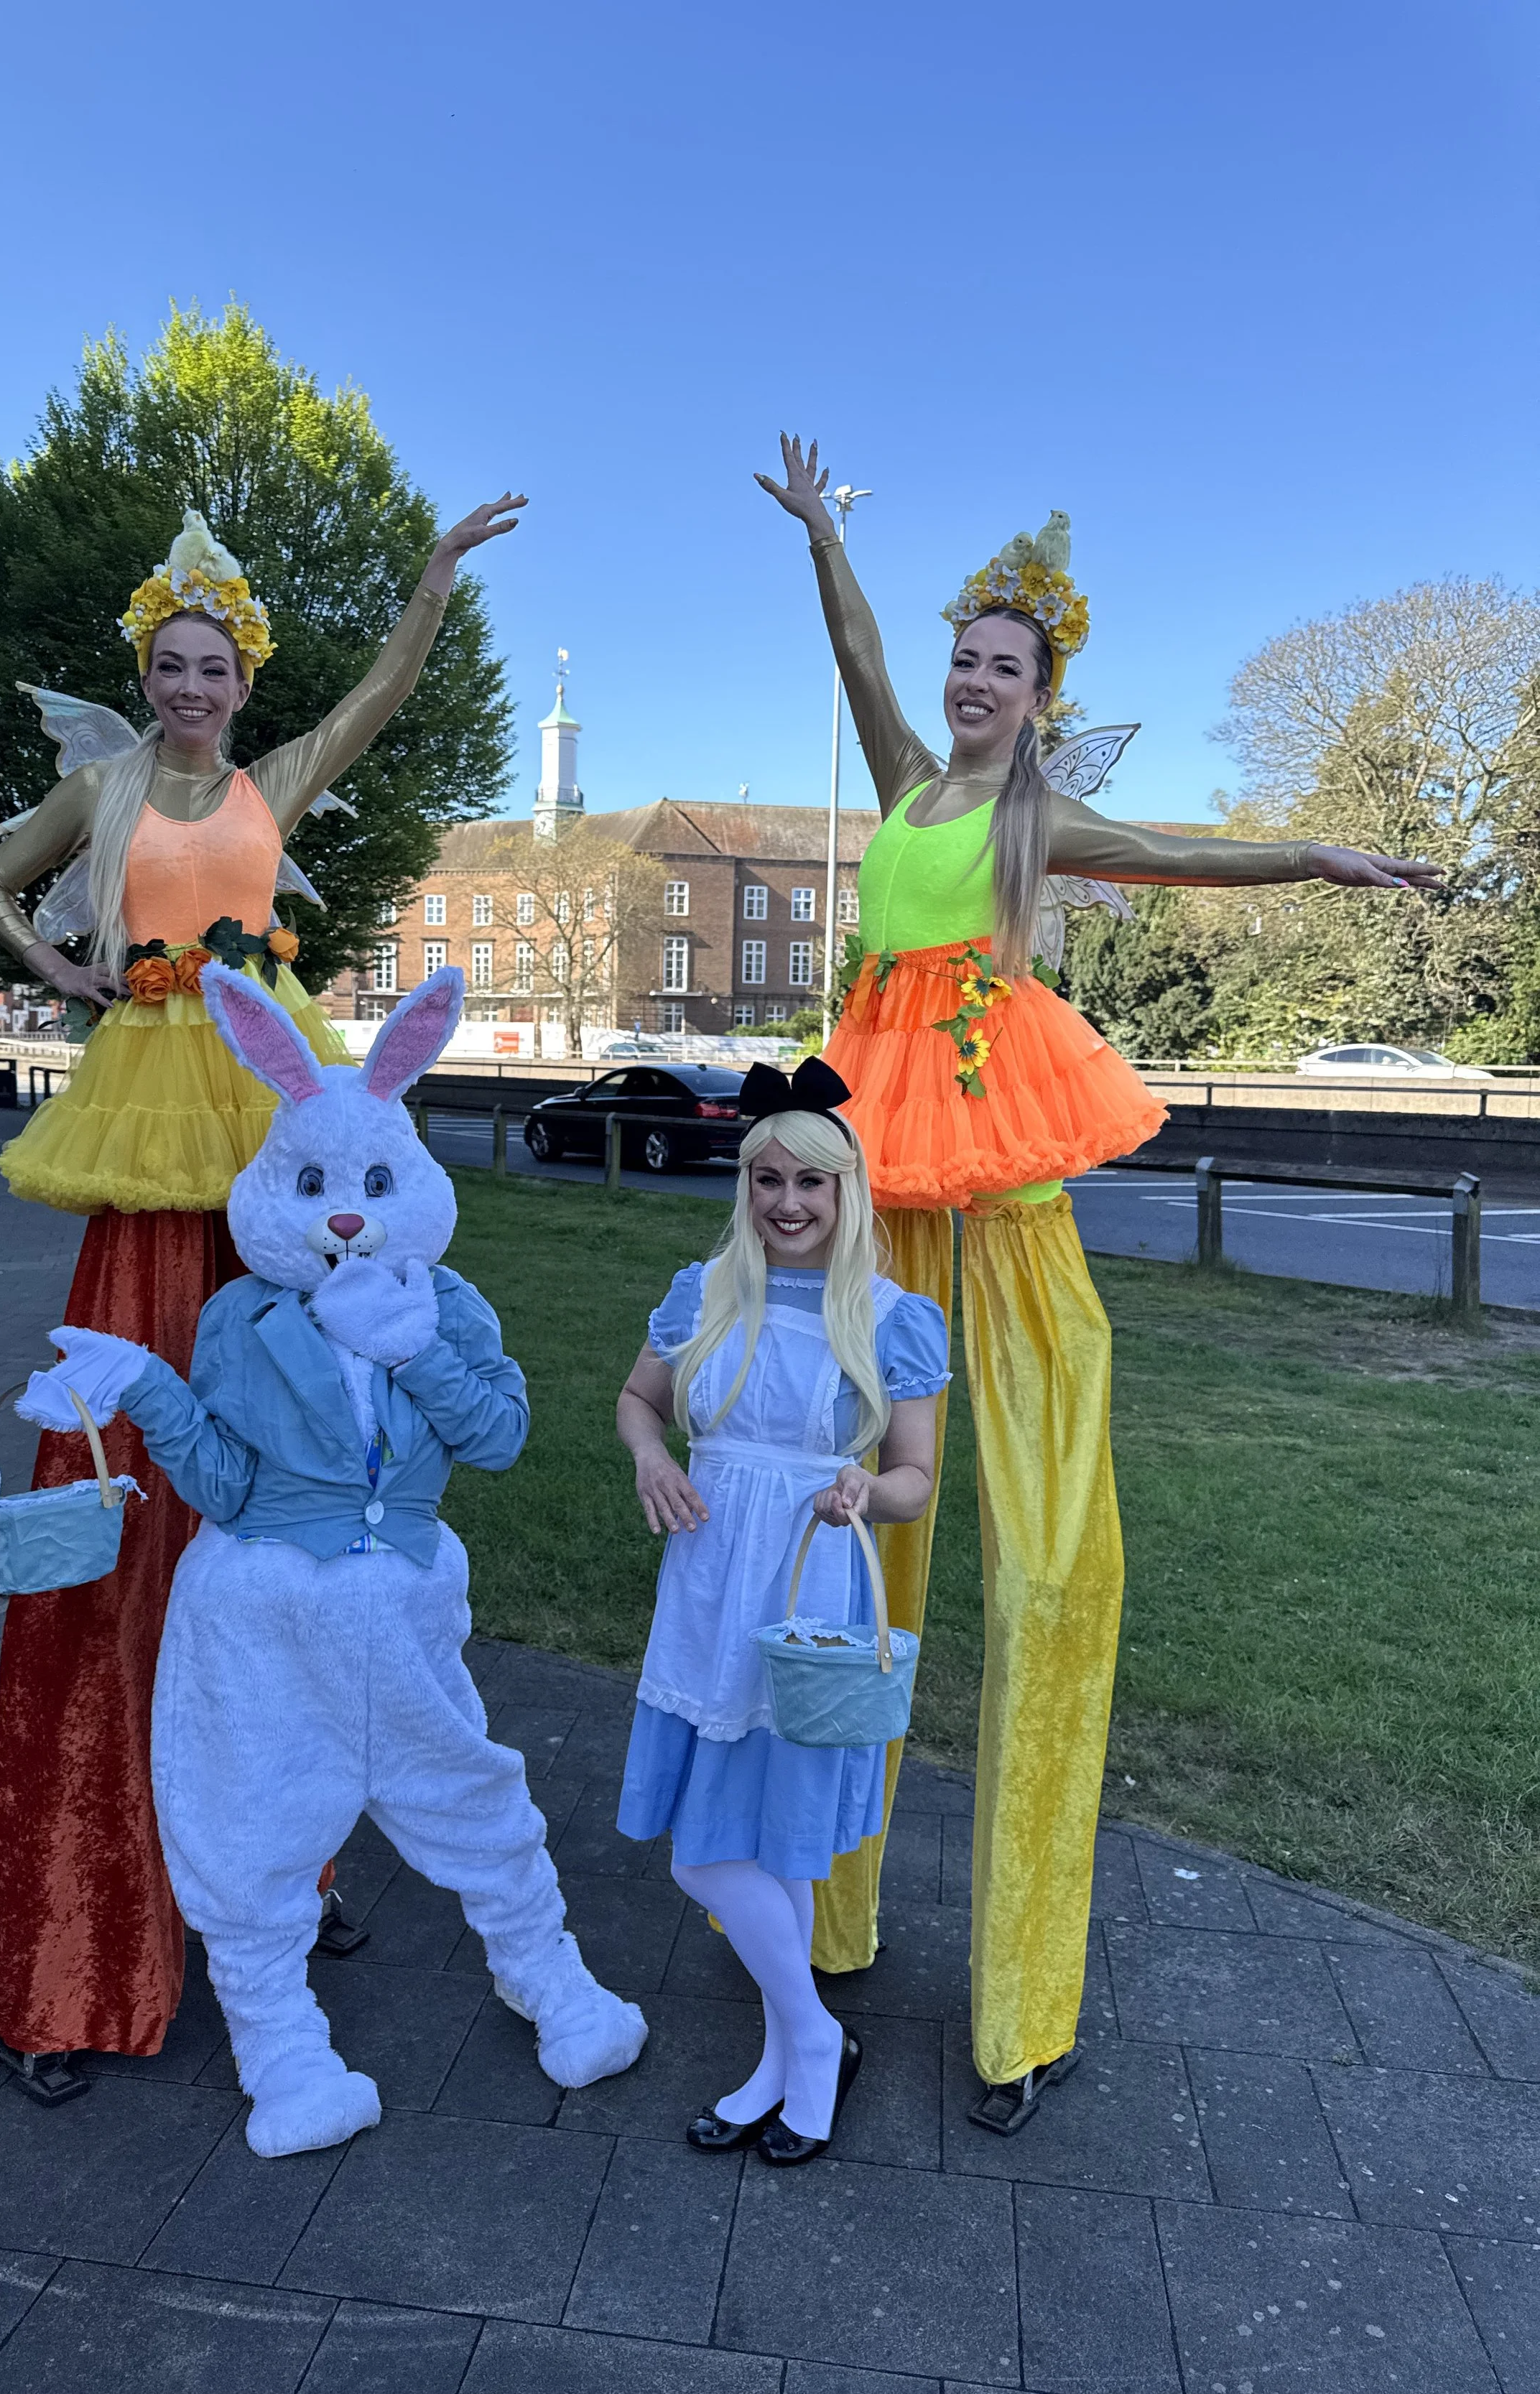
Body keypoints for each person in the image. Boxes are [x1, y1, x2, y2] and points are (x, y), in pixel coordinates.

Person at [757, 435, 1444, 2133]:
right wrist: (824, 535)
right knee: (848, 1528)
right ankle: (822, 1920)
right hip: (878, 1180)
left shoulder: (1032, 817)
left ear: (1038, 698)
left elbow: (1188, 855)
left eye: (1004, 667)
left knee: (1048, 1555)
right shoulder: (903, 781)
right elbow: (852, 649)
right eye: (964, 657)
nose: (972, 681)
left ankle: (1022, 2001)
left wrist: (1319, 857)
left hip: (997, 1177)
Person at [0, 495, 523, 2100]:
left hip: (276, 1134)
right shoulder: (106, 785)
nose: (193, 686)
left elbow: (386, 693)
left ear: (243, 680)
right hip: (155, 1127)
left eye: (215, 666)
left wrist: (430, 579)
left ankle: (293, 1860)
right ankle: (93, 1944)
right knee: (144, 1469)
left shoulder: (278, 778)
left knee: (305, 1460)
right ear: (145, 674)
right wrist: (62, 969)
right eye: (172, 664)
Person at [615, 1058, 949, 2163]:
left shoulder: (893, 1319)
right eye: (768, 1180)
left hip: (808, 1585)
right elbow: (638, 1400)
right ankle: (803, 2047)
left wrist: (866, 1490)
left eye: (812, 1182)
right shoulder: (703, 1290)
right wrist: (652, 1456)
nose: (788, 1203)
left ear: (847, 1191)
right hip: (708, 1582)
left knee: (758, 1848)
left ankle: (801, 2047)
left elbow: (914, 1479)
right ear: (745, 1185)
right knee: (732, 1850)